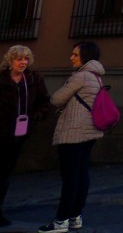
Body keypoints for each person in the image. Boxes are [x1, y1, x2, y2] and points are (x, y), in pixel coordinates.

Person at [38, 42, 106, 233]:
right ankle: (75, 216)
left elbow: (57, 99)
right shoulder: (97, 77)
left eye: (75, 54)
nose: (71, 57)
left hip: (73, 132)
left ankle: (61, 220)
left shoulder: (81, 76)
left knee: (70, 178)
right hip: (89, 131)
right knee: (82, 174)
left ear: (85, 56)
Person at [1, 45, 51, 228]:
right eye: (19, 59)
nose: (23, 62)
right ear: (10, 60)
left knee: (4, 173)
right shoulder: (1, 79)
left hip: (18, 133)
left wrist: (34, 118)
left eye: (26, 59)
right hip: (1, 130)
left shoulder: (34, 79)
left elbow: (44, 101)